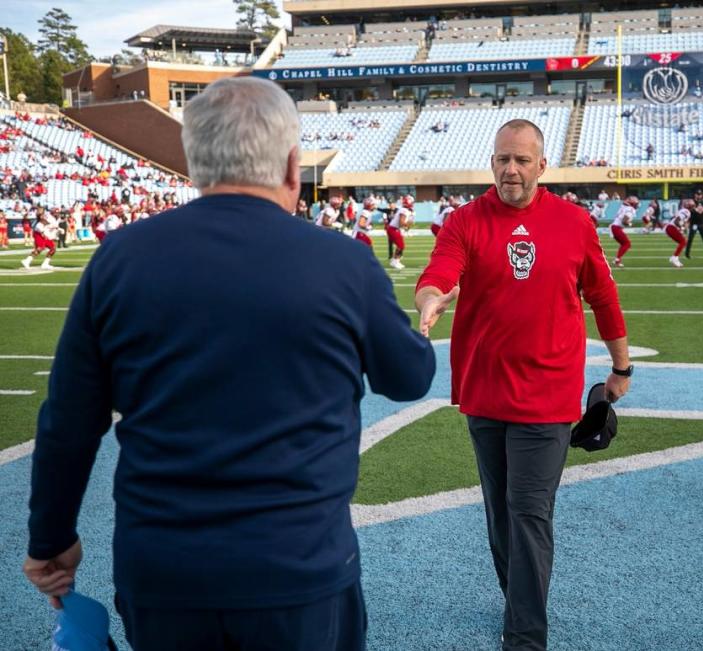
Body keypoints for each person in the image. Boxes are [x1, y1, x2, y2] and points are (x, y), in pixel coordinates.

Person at [23, 76, 436, 651]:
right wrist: (416, 327)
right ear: (294, 166)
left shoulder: (119, 258)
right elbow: (411, 378)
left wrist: (50, 538)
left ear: (196, 163)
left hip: (163, 567)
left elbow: (68, 421)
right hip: (298, 567)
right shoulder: (343, 263)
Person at [414, 119, 630, 651]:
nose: (511, 169)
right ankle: (520, 600)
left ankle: (525, 637)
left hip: (548, 397)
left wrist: (621, 369)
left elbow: (603, 297)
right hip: (484, 392)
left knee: (529, 512)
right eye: (502, 159)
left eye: (522, 160)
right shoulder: (464, 220)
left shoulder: (574, 223)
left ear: (541, 166)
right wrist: (432, 298)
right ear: (492, 162)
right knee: (500, 513)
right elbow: (439, 271)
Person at [387, 194, 414, 269]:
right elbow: (401, 222)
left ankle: (394, 260)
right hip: (393, 229)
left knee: (400, 245)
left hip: (394, 228)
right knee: (401, 245)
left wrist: (407, 226)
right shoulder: (404, 210)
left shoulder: (404, 210)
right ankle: (396, 261)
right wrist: (408, 224)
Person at [610, 196, 637, 267]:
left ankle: (617, 259)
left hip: (614, 226)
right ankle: (617, 259)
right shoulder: (630, 209)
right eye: (635, 203)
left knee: (624, 244)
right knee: (627, 244)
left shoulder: (624, 206)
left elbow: (624, 203)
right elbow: (624, 221)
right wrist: (630, 224)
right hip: (616, 227)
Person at [666, 201, 691, 268]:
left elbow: (677, 220)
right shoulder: (686, 211)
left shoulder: (684, 211)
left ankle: (675, 258)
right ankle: (674, 258)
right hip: (672, 228)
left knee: (683, 242)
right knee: (683, 242)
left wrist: (682, 229)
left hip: (671, 227)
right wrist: (681, 227)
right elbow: (676, 221)